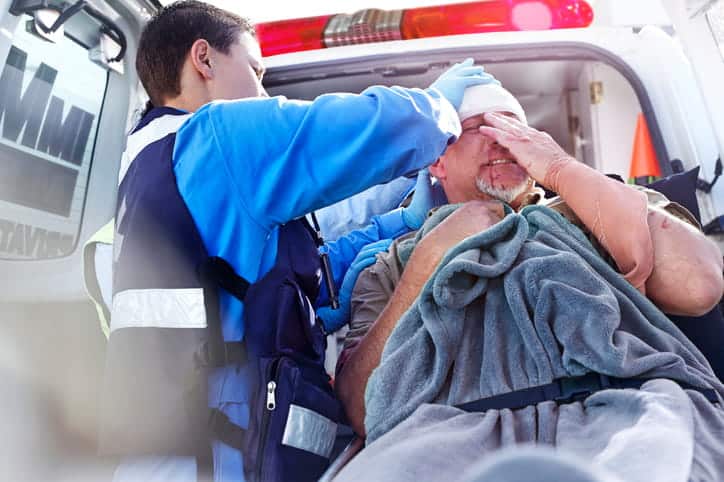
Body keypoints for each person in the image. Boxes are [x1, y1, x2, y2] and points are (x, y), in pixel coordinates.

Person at [99, 2, 497, 481]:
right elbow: (350, 130)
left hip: (176, 455)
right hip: (214, 462)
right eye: (254, 69)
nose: (263, 91)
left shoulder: (147, 161)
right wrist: (438, 109)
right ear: (203, 59)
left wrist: (400, 226)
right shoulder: (215, 136)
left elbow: (268, 280)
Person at [335, 82, 724, 436]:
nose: (502, 141)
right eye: (478, 128)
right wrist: (428, 261)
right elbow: (360, 408)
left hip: (624, 428)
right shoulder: (393, 265)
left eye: (514, 129)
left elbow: (698, 285)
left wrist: (561, 169)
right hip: (460, 443)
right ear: (438, 161)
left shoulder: (601, 209)